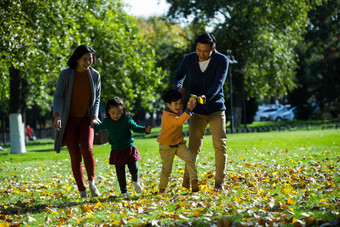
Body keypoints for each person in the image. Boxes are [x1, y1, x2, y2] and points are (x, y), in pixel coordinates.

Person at [175, 33, 229, 191]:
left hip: (216, 109)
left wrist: (208, 96)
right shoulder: (190, 58)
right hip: (196, 110)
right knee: (193, 147)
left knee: (220, 145)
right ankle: (187, 182)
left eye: (205, 51)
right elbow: (179, 74)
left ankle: (219, 183)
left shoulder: (222, 60)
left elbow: (219, 82)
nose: (201, 54)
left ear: (213, 48)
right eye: (198, 50)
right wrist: (179, 86)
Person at [53, 45, 101, 198]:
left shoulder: (95, 75)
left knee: (87, 149)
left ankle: (92, 183)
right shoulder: (65, 75)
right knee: (75, 155)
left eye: (90, 59)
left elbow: (97, 98)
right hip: (69, 122)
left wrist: (94, 116)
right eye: (85, 59)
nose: (88, 62)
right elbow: (58, 96)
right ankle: (82, 190)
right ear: (77, 59)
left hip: (86, 120)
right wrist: (57, 115)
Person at [92, 97, 152, 199]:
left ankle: (135, 181)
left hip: (129, 148)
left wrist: (145, 130)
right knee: (120, 173)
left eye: (119, 112)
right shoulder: (107, 122)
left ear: (122, 110)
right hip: (117, 151)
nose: (116, 115)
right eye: (113, 113)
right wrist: (94, 125)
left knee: (134, 168)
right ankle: (124, 191)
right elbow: (99, 127)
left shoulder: (127, 120)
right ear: (108, 112)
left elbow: (136, 128)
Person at [157, 88, 199, 193]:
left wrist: (184, 98)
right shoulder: (168, 116)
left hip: (179, 144)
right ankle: (162, 189)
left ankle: (194, 182)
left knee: (190, 158)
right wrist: (188, 110)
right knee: (167, 170)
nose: (178, 106)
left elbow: (180, 107)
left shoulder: (176, 109)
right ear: (168, 105)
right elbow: (179, 121)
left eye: (180, 103)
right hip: (166, 146)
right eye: (175, 104)